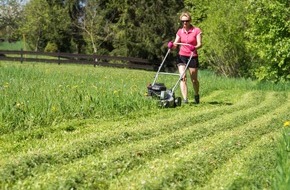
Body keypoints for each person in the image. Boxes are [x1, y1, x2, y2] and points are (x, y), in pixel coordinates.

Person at [168, 12, 202, 104]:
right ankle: (185, 99)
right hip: (182, 56)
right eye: (183, 21)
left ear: (190, 20)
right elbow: (176, 44)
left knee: (194, 80)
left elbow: (200, 44)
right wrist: (171, 45)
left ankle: (196, 94)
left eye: (186, 21)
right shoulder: (180, 31)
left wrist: (194, 47)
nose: (184, 23)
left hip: (192, 56)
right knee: (182, 77)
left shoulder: (196, 30)